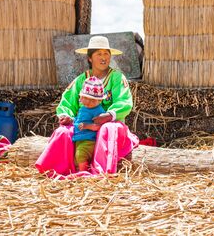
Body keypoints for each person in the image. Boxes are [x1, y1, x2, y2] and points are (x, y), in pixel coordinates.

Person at [35, 36, 139, 176]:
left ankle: (102, 173)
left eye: (106, 54)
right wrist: (66, 116)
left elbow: (124, 102)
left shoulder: (117, 78)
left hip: (110, 125)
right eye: (99, 54)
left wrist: (108, 115)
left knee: (107, 129)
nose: (103, 58)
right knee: (63, 132)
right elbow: (67, 103)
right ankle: (57, 171)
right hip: (83, 127)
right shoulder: (80, 80)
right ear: (90, 58)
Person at [73, 76, 107, 171]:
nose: (88, 102)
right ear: (81, 97)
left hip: (89, 140)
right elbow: (78, 120)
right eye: (85, 98)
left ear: (100, 100)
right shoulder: (83, 108)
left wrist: (87, 126)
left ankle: (82, 173)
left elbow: (99, 126)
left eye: (92, 100)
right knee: (76, 157)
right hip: (79, 138)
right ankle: (83, 170)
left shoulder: (98, 111)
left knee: (81, 154)